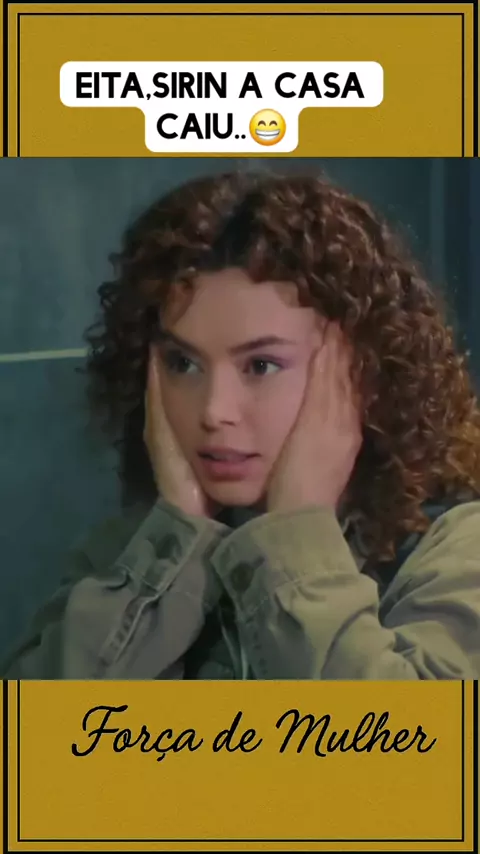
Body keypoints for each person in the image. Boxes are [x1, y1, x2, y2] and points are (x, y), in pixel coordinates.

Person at [3, 170, 480, 680]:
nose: (214, 411)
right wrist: (172, 550)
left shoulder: (457, 549)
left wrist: (296, 532)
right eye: (183, 364)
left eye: (261, 366)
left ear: (361, 372)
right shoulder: (129, 552)